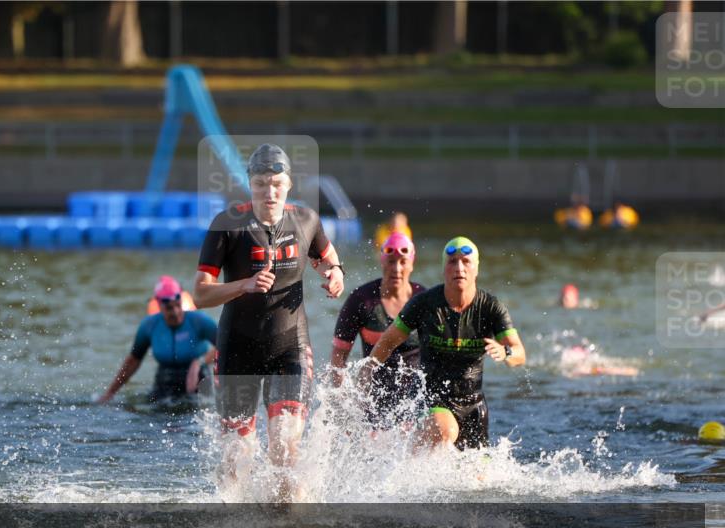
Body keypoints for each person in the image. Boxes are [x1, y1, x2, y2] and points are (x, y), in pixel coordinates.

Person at [193, 143, 345, 501]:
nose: (269, 192)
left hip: (289, 346)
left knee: (283, 446)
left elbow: (328, 259)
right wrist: (243, 285)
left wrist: (334, 274)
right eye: (261, 183)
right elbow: (200, 294)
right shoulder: (226, 225)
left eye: (276, 183)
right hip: (237, 348)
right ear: (250, 184)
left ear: (289, 184)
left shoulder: (306, 219)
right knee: (236, 458)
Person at [363, 237, 526, 450]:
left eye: (466, 261)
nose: (459, 267)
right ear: (444, 269)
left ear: (476, 268)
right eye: (452, 261)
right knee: (444, 430)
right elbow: (388, 341)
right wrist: (367, 371)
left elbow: (519, 354)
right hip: (431, 398)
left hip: (473, 406)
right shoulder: (425, 304)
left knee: (479, 480)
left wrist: (505, 352)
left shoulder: (491, 308)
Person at [331, 231, 425, 427]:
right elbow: (338, 359)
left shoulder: (423, 299)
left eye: (402, 262)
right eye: (390, 261)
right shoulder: (361, 300)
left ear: (412, 264)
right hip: (375, 396)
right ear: (382, 262)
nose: (396, 269)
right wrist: (343, 402)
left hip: (415, 397)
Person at [98, 276, 217, 404]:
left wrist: (199, 362)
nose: (176, 312)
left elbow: (227, 344)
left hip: (196, 381)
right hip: (164, 382)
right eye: (169, 308)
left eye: (178, 305)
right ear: (159, 305)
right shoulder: (149, 325)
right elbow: (133, 360)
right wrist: (110, 393)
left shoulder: (199, 321)